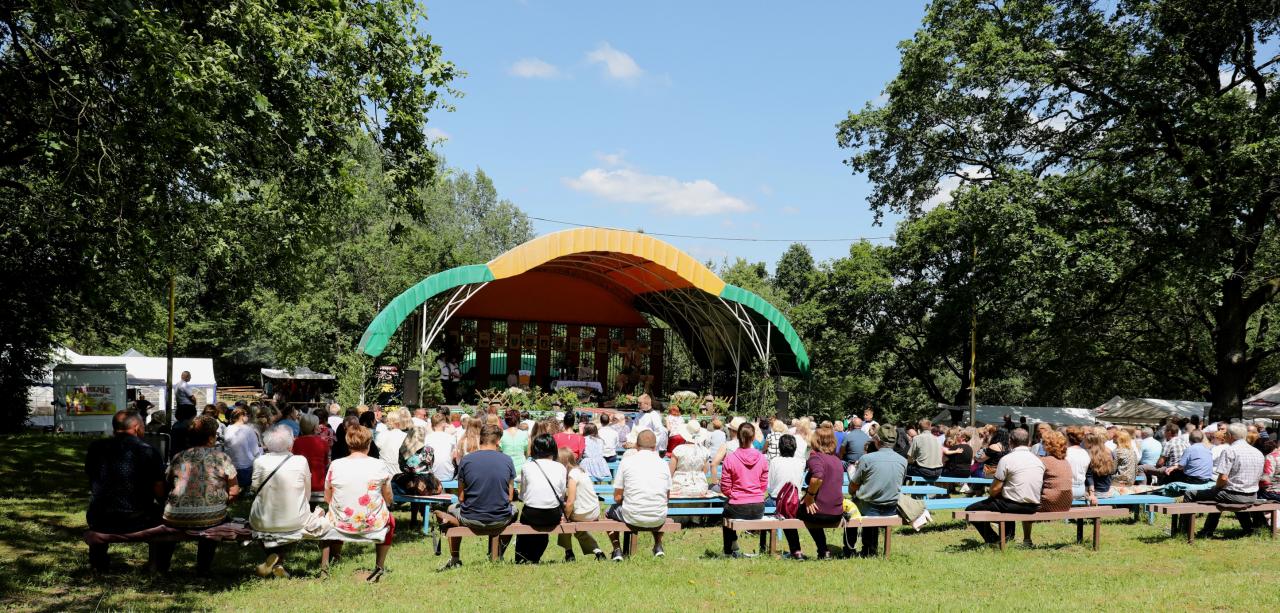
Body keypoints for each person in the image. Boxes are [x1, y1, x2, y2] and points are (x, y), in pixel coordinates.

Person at [85, 411, 166, 572]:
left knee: (99, 505)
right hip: (138, 517)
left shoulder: (96, 448)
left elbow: (91, 477)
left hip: (100, 516)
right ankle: (156, 564)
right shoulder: (148, 451)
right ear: (136, 427)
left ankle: (98, 563)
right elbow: (159, 489)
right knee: (163, 515)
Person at [157, 416, 239, 572]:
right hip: (211, 516)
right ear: (210, 438)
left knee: (170, 528)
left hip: (175, 514)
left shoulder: (179, 457)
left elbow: (167, 483)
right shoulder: (221, 458)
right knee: (213, 521)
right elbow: (234, 491)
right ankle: (203, 568)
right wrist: (220, 504)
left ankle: (162, 566)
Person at [250, 426, 329, 578]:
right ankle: (278, 562)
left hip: (262, 520)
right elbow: (307, 491)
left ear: (267, 444)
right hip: (296, 520)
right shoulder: (300, 461)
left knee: (265, 524)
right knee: (292, 521)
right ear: (290, 444)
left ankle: (275, 559)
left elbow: (254, 489)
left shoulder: (259, 461)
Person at [435, 424, 516, 570]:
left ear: (480, 439)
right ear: (498, 441)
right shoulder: (507, 460)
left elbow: (461, 497)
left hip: (470, 517)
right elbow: (510, 497)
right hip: (500, 518)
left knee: (451, 508)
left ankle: (455, 557)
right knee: (515, 509)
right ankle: (498, 553)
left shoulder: (467, 460)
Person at [320, 424, 394, 582]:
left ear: (348, 443)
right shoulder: (379, 465)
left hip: (340, 522)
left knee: (331, 513)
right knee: (391, 521)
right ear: (369, 443)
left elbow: (327, 497)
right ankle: (379, 566)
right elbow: (388, 497)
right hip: (372, 523)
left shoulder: (335, 465)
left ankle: (327, 565)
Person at [964, 428, 1044, 546]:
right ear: (1028, 442)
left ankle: (994, 539)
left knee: (971, 510)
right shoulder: (1038, 460)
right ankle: (1008, 537)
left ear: (1011, 441)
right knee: (1005, 501)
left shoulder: (1007, 459)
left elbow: (995, 489)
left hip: (1012, 504)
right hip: (1033, 505)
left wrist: (992, 493)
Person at [1185, 423, 1266, 538]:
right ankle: (1247, 529)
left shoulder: (1230, 451)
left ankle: (1184, 530)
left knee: (1190, 494)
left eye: (1225, 434)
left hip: (1233, 495)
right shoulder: (1258, 452)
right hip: (1252, 495)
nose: (1224, 435)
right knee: (1222, 496)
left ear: (1230, 436)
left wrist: (1216, 487)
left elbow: (1223, 478)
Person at [605, 430, 671, 561]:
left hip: (631, 515)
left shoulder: (626, 462)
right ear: (655, 446)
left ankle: (617, 549)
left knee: (608, 512)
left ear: (636, 445)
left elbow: (617, 497)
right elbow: (666, 497)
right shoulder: (663, 464)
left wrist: (628, 499)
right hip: (658, 516)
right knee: (656, 506)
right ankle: (658, 544)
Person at [782, 426, 845, 560]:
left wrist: (810, 496)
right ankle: (823, 551)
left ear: (815, 440)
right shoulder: (837, 460)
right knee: (810, 511)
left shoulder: (816, 457)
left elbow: (818, 476)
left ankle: (796, 551)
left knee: (787, 513)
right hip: (836, 512)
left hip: (820, 512)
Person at [846, 433, 906, 557]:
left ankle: (849, 549)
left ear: (878, 441)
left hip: (871, 507)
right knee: (869, 502)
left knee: (851, 508)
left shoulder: (867, 459)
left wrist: (853, 492)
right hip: (891, 507)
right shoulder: (903, 460)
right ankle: (870, 549)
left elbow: (853, 486)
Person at [514, 434, 568, 563]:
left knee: (526, 520)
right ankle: (535, 557)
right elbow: (561, 494)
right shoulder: (560, 467)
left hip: (531, 513)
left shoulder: (527, 467)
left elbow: (523, 495)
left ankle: (521, 557)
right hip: (553, 514)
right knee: (543, 527)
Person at [719, 422, 768, 558]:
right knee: (727, 511)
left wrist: (735, 495)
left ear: (738, 437)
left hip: (737, 506)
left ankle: (728, 550)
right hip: (758, 507)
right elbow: (763, 485)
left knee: (725, 513)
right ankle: (734, 544)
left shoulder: (730, 458)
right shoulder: (762, 458)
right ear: (753, 438)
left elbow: (725, 487)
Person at [1021, 431, 1072, 547]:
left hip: (1049, 502)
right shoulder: (1065, 461)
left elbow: (1032, 481)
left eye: (1043, 442)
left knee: (1025, 504)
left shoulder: (1043, 461)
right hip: (1066, 503)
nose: (1042, 444)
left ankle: (1027, 540)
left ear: (1048, 445)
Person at [557, 447, 605, 561]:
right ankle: (597, 551)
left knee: (564, 520)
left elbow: (570, 502)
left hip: (583, 512)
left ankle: (569, 552)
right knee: (577, 529)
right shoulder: (581, 471)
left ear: (564, 462)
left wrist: (564, 517)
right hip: (594, 511)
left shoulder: (572, 475)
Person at [292, 414, 331, 501]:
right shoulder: (323, 443)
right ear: (314, 427)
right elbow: (326, 463)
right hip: (318, 484)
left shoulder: (296, 443)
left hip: (301, 484)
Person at [223, 408, 261, 490]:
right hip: (246, 466)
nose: (248, 417)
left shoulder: (227, 429)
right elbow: (255, 450)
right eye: (246, 415)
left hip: (230, 466)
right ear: (242, 417)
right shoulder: (248, 429)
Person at [669, 430, 710, 498]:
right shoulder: (704, 450)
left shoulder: (679, 449)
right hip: (700, 488)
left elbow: (670, 472)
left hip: (679, 487)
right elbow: (705, 470)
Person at [425, 412, 457, 483]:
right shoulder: (451, 438)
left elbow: (427, 458)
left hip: (432, 476)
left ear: (432, 425)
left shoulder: (428, 438)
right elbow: (454, 456)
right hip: (448, 475)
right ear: (444, 424)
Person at [1064, 427, 1090, 498]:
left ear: (1067, 437)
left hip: (1067, 489)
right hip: (1081, 489)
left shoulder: (1065, 452)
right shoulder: (1085, 453)